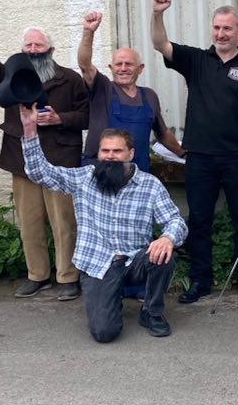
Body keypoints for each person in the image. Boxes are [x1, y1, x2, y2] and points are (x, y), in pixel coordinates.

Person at [21, 117, 188, 343]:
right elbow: (41, 173)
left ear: (130, 153)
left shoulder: (150, 185)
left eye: (117, 151)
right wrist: (30, 131)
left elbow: (175, 220)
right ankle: (109, 297)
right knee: (104, 333)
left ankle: (152, 312)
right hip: (99, 263)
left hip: (133, 261)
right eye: (105, 150)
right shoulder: (85, 178)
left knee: (165, 255)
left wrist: (167, 238)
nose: (110, 156)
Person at [0, 7, 90, 301]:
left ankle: (68, 276)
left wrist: (60, 118)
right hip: (22, 161)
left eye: (39, 46)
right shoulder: (11, 76)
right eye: (28, 46)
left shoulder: (69, 79)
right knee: (29, 223)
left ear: (51, 50)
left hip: (60, 161)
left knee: (63, 223)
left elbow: (86, 116)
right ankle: (38, 275)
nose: (33, 50)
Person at [151, 0, 238, 305]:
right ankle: (201, 280)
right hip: (199, 157)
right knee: (199, 220)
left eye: (227, 28)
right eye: (216, 28)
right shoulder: (197, 60)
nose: (221, 34)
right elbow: (161, 44)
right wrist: (158, 13)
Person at [77, 11, 185, 171]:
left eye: (129, 64)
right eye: (119, 64)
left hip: (138, 172)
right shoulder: (103, 88)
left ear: (140, 69)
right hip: (100, 170)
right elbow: (85, 64)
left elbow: (162, 133)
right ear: (111, 68)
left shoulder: (149, 96)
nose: (123, 68)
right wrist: (88, 32)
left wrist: (183, 154)